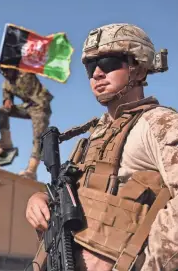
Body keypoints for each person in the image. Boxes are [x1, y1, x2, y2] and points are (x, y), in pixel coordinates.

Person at [26, 23, 178, 270]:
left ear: (138, 69)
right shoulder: (94, 135)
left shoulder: (159, 124)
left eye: (108, 63)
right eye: (89, 66)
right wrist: (40, 199)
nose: (97, 73)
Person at [0, 68, 53, 180]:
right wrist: (7, 101)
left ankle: (32, 170)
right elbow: (7, 97)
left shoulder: (26, 72)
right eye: (3, 72)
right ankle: (6, 141)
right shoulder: (6, 83)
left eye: (7, 70)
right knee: (2, 111)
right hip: (27, 107)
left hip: (41, 107)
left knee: (38, 138)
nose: (6, 74)